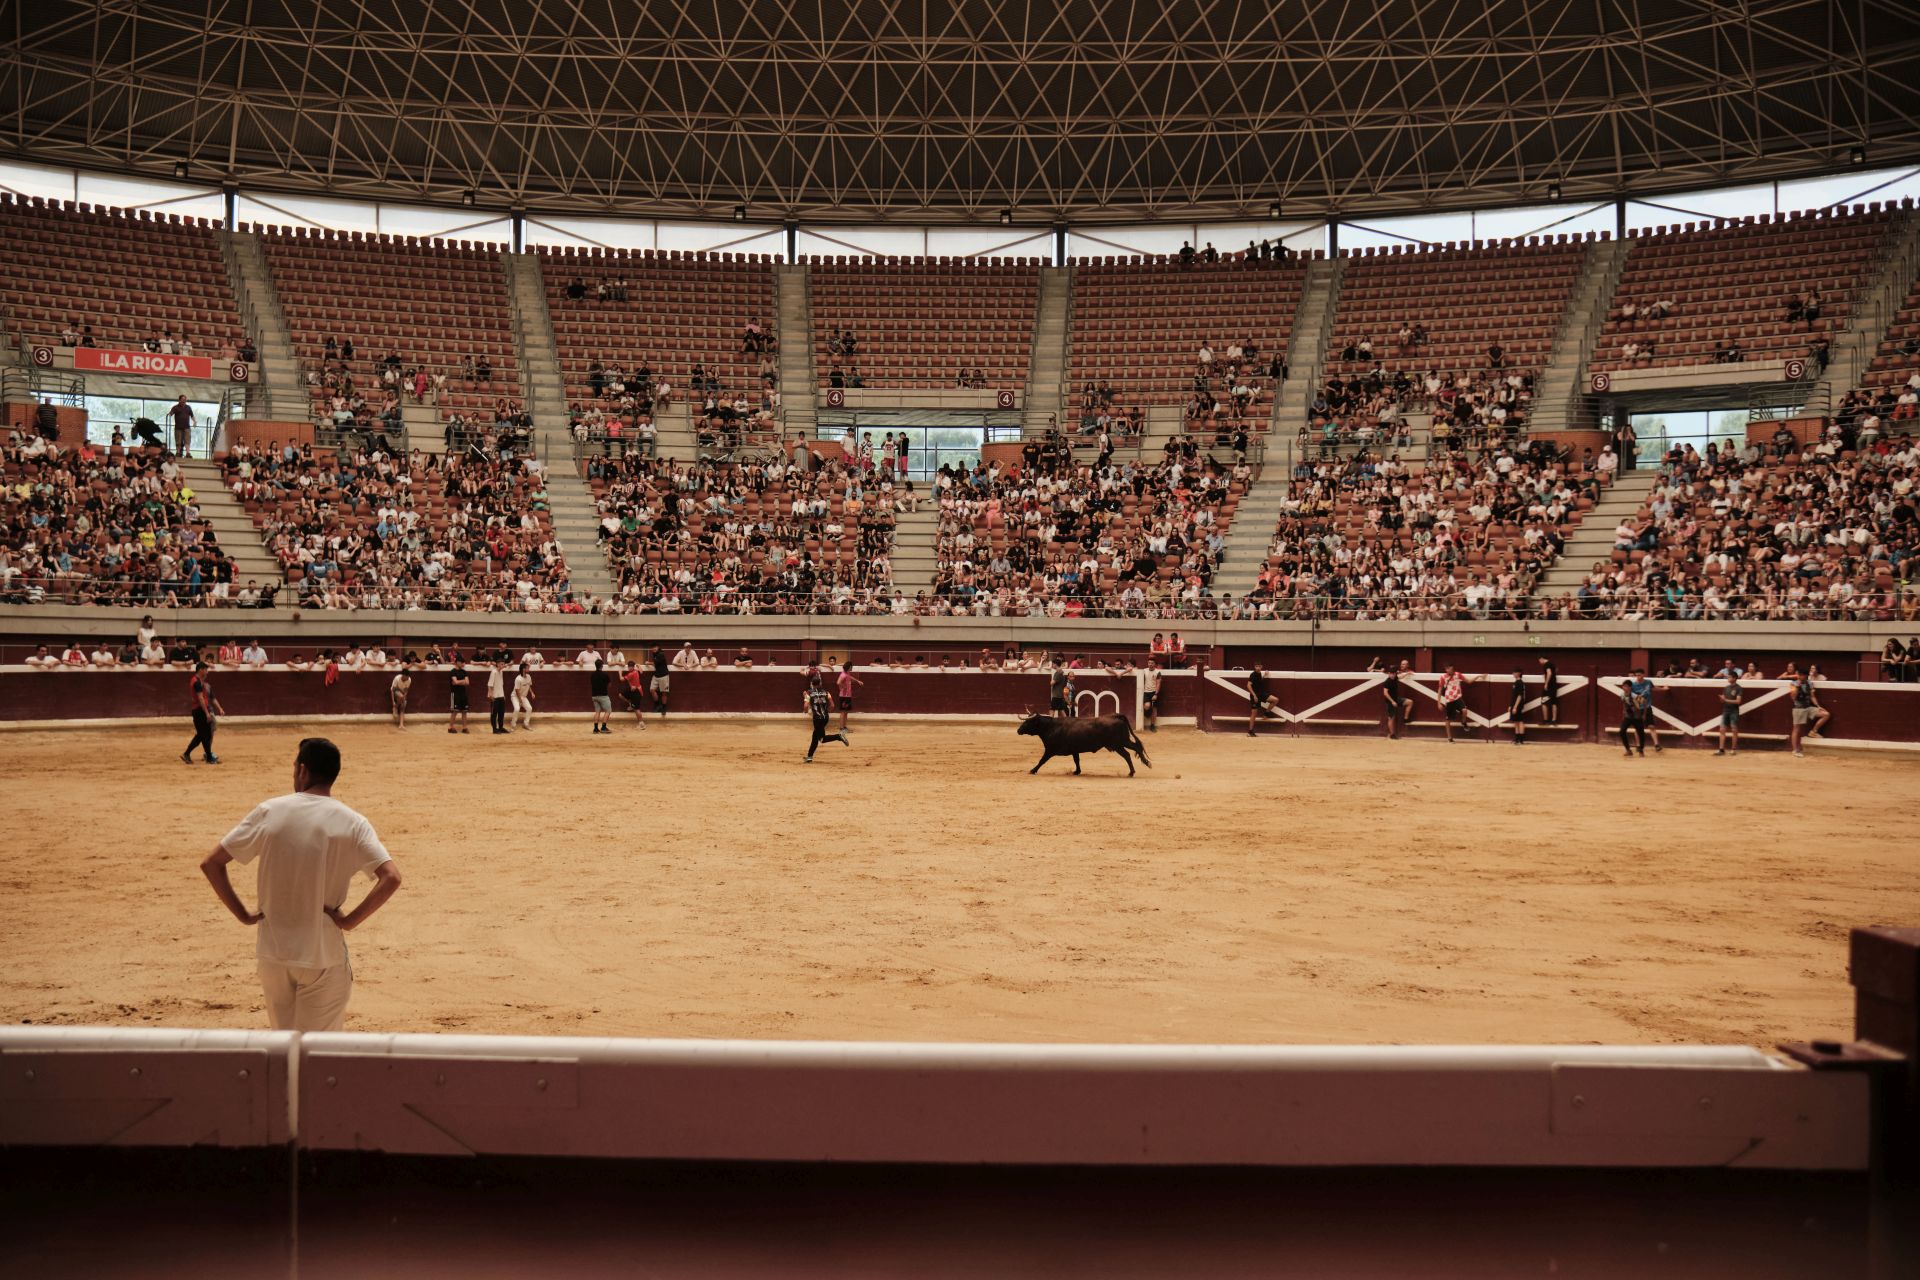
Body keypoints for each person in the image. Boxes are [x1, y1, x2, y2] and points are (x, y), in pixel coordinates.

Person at [199, 738, 403, 1032]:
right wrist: (350, 921)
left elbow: (211, 864)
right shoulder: (353, 822)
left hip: (273, 952)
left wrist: (243, 915)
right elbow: (392, 877)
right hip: (321, 953)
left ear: (303, 771)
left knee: (285, 1049)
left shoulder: (270, 811)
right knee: (319, 1056)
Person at [181, 661, 226, 765]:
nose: (207, 672)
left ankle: (208, 757)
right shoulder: (196, 682)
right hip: (199, 710)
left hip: (199, 710)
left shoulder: (198, 681)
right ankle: (187, 754)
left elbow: (205, 698)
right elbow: (200, 699)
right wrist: (207, 713)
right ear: (200, 669)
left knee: (204, 735)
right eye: (206, 669)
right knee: (203, 735)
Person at [803, 676, 851, 763]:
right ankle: (809, 757)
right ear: (820, 683)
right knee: (815, 737)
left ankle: (839, 736)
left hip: (817, 719)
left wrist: (806, 711)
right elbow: (832, 705)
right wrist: (826, 712)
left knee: (822, 739)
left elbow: (806, 706)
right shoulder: (826, 692)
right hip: (825, 718)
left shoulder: (808, 693)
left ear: (812, 684)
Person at [1620, 667, 1660, 757]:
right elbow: (1624, 704)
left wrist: (1644, 714)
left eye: (1626, 686)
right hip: (1629, 716)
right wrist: (1624, 712)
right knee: (1622, 731)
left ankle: (1641, 750)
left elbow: (1645, 702)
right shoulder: (1622, 694)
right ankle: (1628, 750)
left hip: (1638, 715)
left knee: (1641, 731)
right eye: (1623, 686)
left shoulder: (1635, 695)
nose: (1624, 688)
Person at [1789, 669, 1831, 757]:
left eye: (1804, 675)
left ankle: (1813, 732)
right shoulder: (1794, 684)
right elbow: (1793, 697)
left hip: (1808, 707)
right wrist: (1798, 687)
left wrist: (1818, 706)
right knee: (1797, 729)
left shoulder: (1810, 683)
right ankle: (1795, 750)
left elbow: (1812, 696)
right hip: (1798, 709)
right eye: (1801, 675)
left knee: (1825, 714)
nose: (1802, 677)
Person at [1437, 664, 1477, 743]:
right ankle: (1449, 738)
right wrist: (1438, 702)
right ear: (1446, 669)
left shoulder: (1458, 674)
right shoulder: (1443, 677)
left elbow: (1468, 681)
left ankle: (1463, 722)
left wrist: (1478, 677)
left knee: (1464, 710)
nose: (1451, 670)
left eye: (1452, 669)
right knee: (1448, 719)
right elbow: (1440, 689)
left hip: (1458, 697)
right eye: (1449, 669)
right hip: (1449, 699)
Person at [1246, 667, 1282, 736]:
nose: (1258, 667)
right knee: (1254, 714)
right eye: (1257, 666)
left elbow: (1259, 683)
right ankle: (1250, 731)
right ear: (1254, 667)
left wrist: (1264, 676)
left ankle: (1266, 714)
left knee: (1275, 700)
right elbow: (1248, 685)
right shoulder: (1253, 674)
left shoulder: (1259, 673)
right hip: (1255, 696)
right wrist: (1254, 695)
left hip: (1261, 694)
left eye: (1259, 666)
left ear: (1261, 667)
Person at [1380, 659, 1410, 739]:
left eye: (1393, 673)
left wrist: (1407, 673)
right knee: (1391, 718)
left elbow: (1400, 676)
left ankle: (1406, 718)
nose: (1392, 675)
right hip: (1390, 702)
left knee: (1410, 702)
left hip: (1396, 699)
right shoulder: (1387, 682)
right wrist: (1392, 701)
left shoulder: (1395, 677)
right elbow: (1385, 693)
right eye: (1391, 674)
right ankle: (1392, 734)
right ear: (1389, 673)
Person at [1714, 673, 1742, 756]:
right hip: (1726, 710)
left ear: (1734, 678)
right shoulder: (1726, 688)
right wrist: (1722, 699)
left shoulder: (1738, 688)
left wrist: (1725, 700)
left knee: (1734, 729)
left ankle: (1733, 749)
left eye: (1729, 677)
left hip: (1734, 711)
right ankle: (1721, 749)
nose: (1728, 678)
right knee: (1722, 729)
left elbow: (1738, 701)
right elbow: (1723, 701)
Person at [620, 660, 649, 729]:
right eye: (629, 667)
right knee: (621, 695)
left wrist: (620, 673)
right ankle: (630, 703)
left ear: (632, 667)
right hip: (635, 690)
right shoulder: (636, 671)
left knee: (636, 709)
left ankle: (641, 724)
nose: (629, 668)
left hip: (636, 692)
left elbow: (621, 679)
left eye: (630, 667)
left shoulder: (631, 674)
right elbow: (641, 671)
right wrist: (638, 665)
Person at [836, 661, 864, 732]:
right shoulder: (843, 675)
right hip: (844, 696)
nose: (852, 668)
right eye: (851, 666)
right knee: (843, 712)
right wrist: (843, 687)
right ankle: (841, 728)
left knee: (846, 712)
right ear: (849, 667)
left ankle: (844, 727)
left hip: (847, 696)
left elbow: (850, 677)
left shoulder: (847, 673)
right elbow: (838, 682)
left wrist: (857, 681)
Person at [1506, 669, 1529, 746]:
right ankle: (1517, 739)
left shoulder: (1519, 683)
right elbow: (1514, 696)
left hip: (1517, 704)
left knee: (1520, 721)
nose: (1513, 673)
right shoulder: (1517, 682)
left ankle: (1520, 739)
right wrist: (1510, 705)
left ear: (1519, 673)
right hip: (1515, 704)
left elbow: (1519, 696)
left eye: (1514, 672)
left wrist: (1515, 707)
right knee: (1516, 721)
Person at [589, 659, 613, 734]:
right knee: (608, 711)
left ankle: (595, 729)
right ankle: (603, 727)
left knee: (597, 712)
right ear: (602, 666)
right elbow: (609, 685)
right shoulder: (605, 675)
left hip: (594, 695)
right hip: (603, 696)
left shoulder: (592, 675)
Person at [447, 658, 471, 734]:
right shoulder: (452, 672)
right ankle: (450, 727)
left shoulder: (464, 672)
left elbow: (467, 683)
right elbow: (455, 682)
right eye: (462, 662)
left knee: (464, 711)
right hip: (455, 694)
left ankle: (464, 728)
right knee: (455, 711)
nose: (463, 664)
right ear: (457, 662)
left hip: (463, 694)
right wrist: (462, 681)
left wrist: (459, 682)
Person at [511, 662, 535, 730]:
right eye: (527, 668)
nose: (529, 669)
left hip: (523, 696)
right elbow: (517, 690)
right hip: (515, 696)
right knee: (517, 709)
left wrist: (532, 693)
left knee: (529, 708)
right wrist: (520, 700)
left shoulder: (529, 676)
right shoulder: (518, 679)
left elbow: (529, 685)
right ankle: (513, 725)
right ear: (523, 669)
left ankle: (526, 723)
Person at [1537, 657, 1561, 726]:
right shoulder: (1552, 664)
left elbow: (1549, 673)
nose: (1539, 662)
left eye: (1539, 661)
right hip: (1554, 685)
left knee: (1544, 702)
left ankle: (1545, 720)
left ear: (1542, 659)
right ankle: (1554, 720)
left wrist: (1546, 684)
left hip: (1549, 686)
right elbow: (1553, 672)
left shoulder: (1546, 664)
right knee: (1554, 702)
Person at [486, 660, 508, 734]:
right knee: (494, 714)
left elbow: (500, 685)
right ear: (498, 664)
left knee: (501, 713)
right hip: (494, 696)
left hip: (501, 696)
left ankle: (501, 728)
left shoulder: (501, 672)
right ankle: (494, 729)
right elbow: (489, 685)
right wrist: (491, 695)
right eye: (502, 664)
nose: (503, 665)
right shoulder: (494, 672)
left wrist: (503, 695)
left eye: (503, 664)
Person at [1141, 658, 1161, 732]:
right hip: (1146, 692)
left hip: (1154, 692)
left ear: (1155, 664)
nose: (1150, 664)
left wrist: (1156, 694)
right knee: (1147, 706)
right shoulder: (1144, 671)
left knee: (1154, 709)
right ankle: (1147, 714)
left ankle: (1152, 725)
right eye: (1149, 663)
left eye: (1152, 663)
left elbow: (1158, 684)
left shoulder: (1158, 672)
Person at [650, 646, 672, 715]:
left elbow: (656, 663)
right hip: (656, 675)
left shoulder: (661, 654)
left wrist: (648, 663)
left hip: (664, 675)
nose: (653, 648)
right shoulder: (655, 654)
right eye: (652, 647)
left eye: (655, 647)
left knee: (664, 692)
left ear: (658, 648)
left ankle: (663, 708)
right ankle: (658, 705)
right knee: (652, 690)